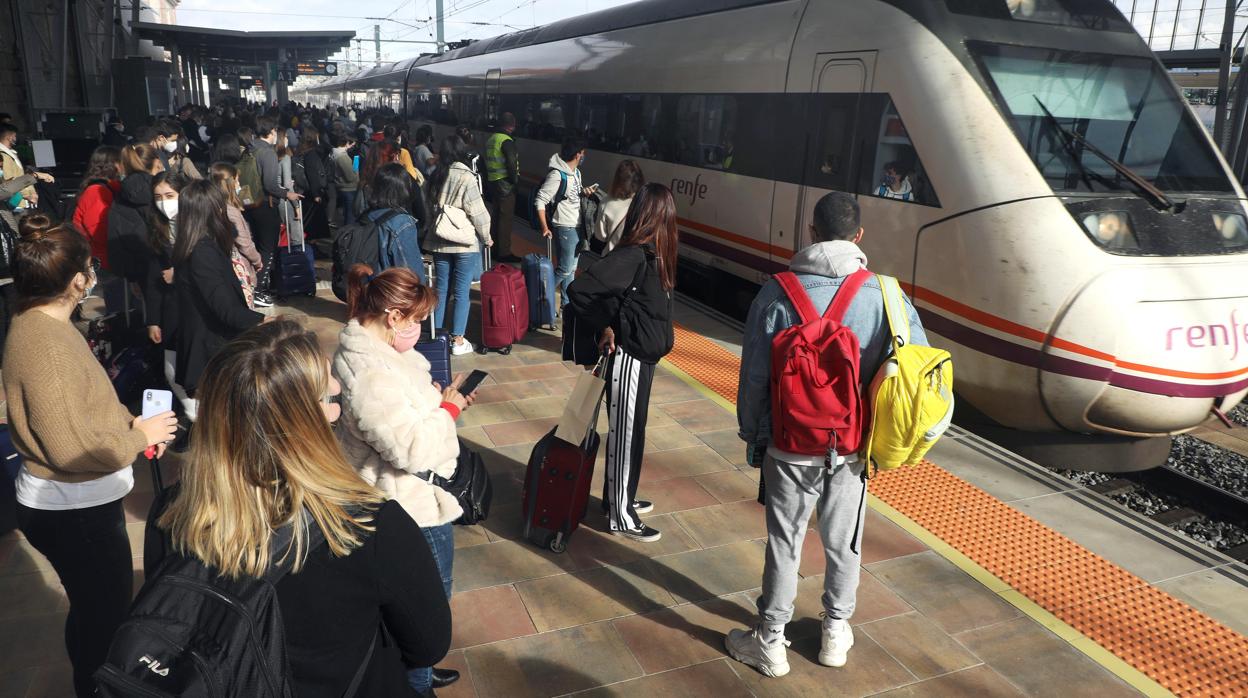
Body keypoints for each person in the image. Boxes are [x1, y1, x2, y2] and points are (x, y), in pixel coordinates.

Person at [154, 319, 452, 697]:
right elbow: (428, 646)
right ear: (306, 421)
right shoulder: (369, 526)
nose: (338, 389)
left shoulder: (173, 512)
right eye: (327, 391)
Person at [727, 192, 929, 677]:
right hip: (851, 447)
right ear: (858, 236)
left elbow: (755, 376)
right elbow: (914, 368)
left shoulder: (777, 291)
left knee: (784, 542)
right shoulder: (886, 293)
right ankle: (835, 633)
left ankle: (769, 642)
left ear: (811, 232)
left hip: (789, 444)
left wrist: (754, 436)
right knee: (843, 541)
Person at [3, 224, 177, 696]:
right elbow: (68, 447)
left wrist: (132, 426)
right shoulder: (46, 344)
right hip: (73, 509)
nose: (94, 274)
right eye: (89, 267)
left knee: (90, 611)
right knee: (106, 621)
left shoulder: (41, 323)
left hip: (72, 502)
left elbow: (85, 404)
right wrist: (135, 437)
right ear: (78, 281)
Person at [332, 265, 473, 696]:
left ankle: (421, 671)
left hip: (407, 495)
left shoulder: (380, 352)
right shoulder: (369, 369)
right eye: (413, 319)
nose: (416, 328)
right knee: (421, 609)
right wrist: (446, 411)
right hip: (407, 504)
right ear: (393, 316)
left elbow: (400, 412)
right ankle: (416, 683)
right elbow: (410, 448)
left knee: (415, 609)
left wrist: (432, 395)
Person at [565, 183, 677, 542]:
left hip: (643, 357)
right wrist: (610, 324)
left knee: (635, 431)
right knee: (626, 434)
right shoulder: (633, 255)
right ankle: (620, 515)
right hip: (627, 357)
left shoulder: (653, 255)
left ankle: (621, 496)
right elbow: (580, 290)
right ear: (658, 218)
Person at [171, 179, 265, 404]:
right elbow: (224, 308)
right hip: (210, 353)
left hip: (209, 347)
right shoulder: (202, 252)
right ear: (213, 211)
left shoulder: (199, 245)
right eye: (221, 206)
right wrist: (265, 321)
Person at [425, 135, 491, 356]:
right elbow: (478, 213)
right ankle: (457, 340)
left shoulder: (436, 176)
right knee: (462, 292)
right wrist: (487, 236)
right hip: (464, 244)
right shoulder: (467, 177)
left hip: (440, 242)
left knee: (441, 290)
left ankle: (438, 336)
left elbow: (428, 208)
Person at [535, 136, 597, 308]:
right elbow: (540, 200)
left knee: (571, 269)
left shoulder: (576, 173)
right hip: (564, 227)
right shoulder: (557, 174)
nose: (584, 157)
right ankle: (539, 298)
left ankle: (566, 305)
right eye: (583, 154)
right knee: (564, 269)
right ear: (578, 155)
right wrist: (545, 227)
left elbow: (571, 195)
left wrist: (583, 192)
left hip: (577, 226)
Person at [249, 116, 302, 304]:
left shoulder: (249, 148)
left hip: (249, 205)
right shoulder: (267, 153)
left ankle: (253, 285)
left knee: (254, 246)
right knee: (268, 248)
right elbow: (270, 184)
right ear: (271, 132)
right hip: (265, 204)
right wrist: (288, 194)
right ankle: (259, 290)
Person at [107, 143, 164, 290]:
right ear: (157, 163)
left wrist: (131, 277)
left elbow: (117, 236)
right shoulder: (165, 191)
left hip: (141, 270)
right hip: (171, 265)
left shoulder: (120, 195)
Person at [364, 163, 427, 282]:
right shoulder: (402, 223)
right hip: (392, 292)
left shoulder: (367, 216)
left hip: (368, 288)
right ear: (404, 188)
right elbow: (411, 271)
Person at [209, 162, 264, 293]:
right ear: (230, 183)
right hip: (238, 268)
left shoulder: (213, 205)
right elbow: (244, 242)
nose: (239, 185)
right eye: (237, 181)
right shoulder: (230, 211)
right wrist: (257, 260)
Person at [71, 145, 124, 271]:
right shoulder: (97, 191)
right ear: (112, 165)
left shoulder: (106, 189)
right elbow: (99, 231)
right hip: (102, 261)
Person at [483, 113, 520, 263]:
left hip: (493, 182)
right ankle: (504, 253)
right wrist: (514, 181)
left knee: (496, 217)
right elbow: (511, 162)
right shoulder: (507, 141)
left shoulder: (492, 139)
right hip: (505, 184)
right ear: (512, 125)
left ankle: (493, 248)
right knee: (505, 219)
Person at [592, 160, 645, 255]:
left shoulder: (606, 203)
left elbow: (600, 236)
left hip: (612, 259)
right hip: (634, 260)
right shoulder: (644, 203)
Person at [332, 134, 361, 226]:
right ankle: (348, 236)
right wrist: (356, 160)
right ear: (347, 143)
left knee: (346, 213)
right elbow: (351, 177)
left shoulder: (334, 153)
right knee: (350, 216)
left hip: (341, 187)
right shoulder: (342, 157)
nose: (353, 147)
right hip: (348, 188)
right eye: (352, 145)